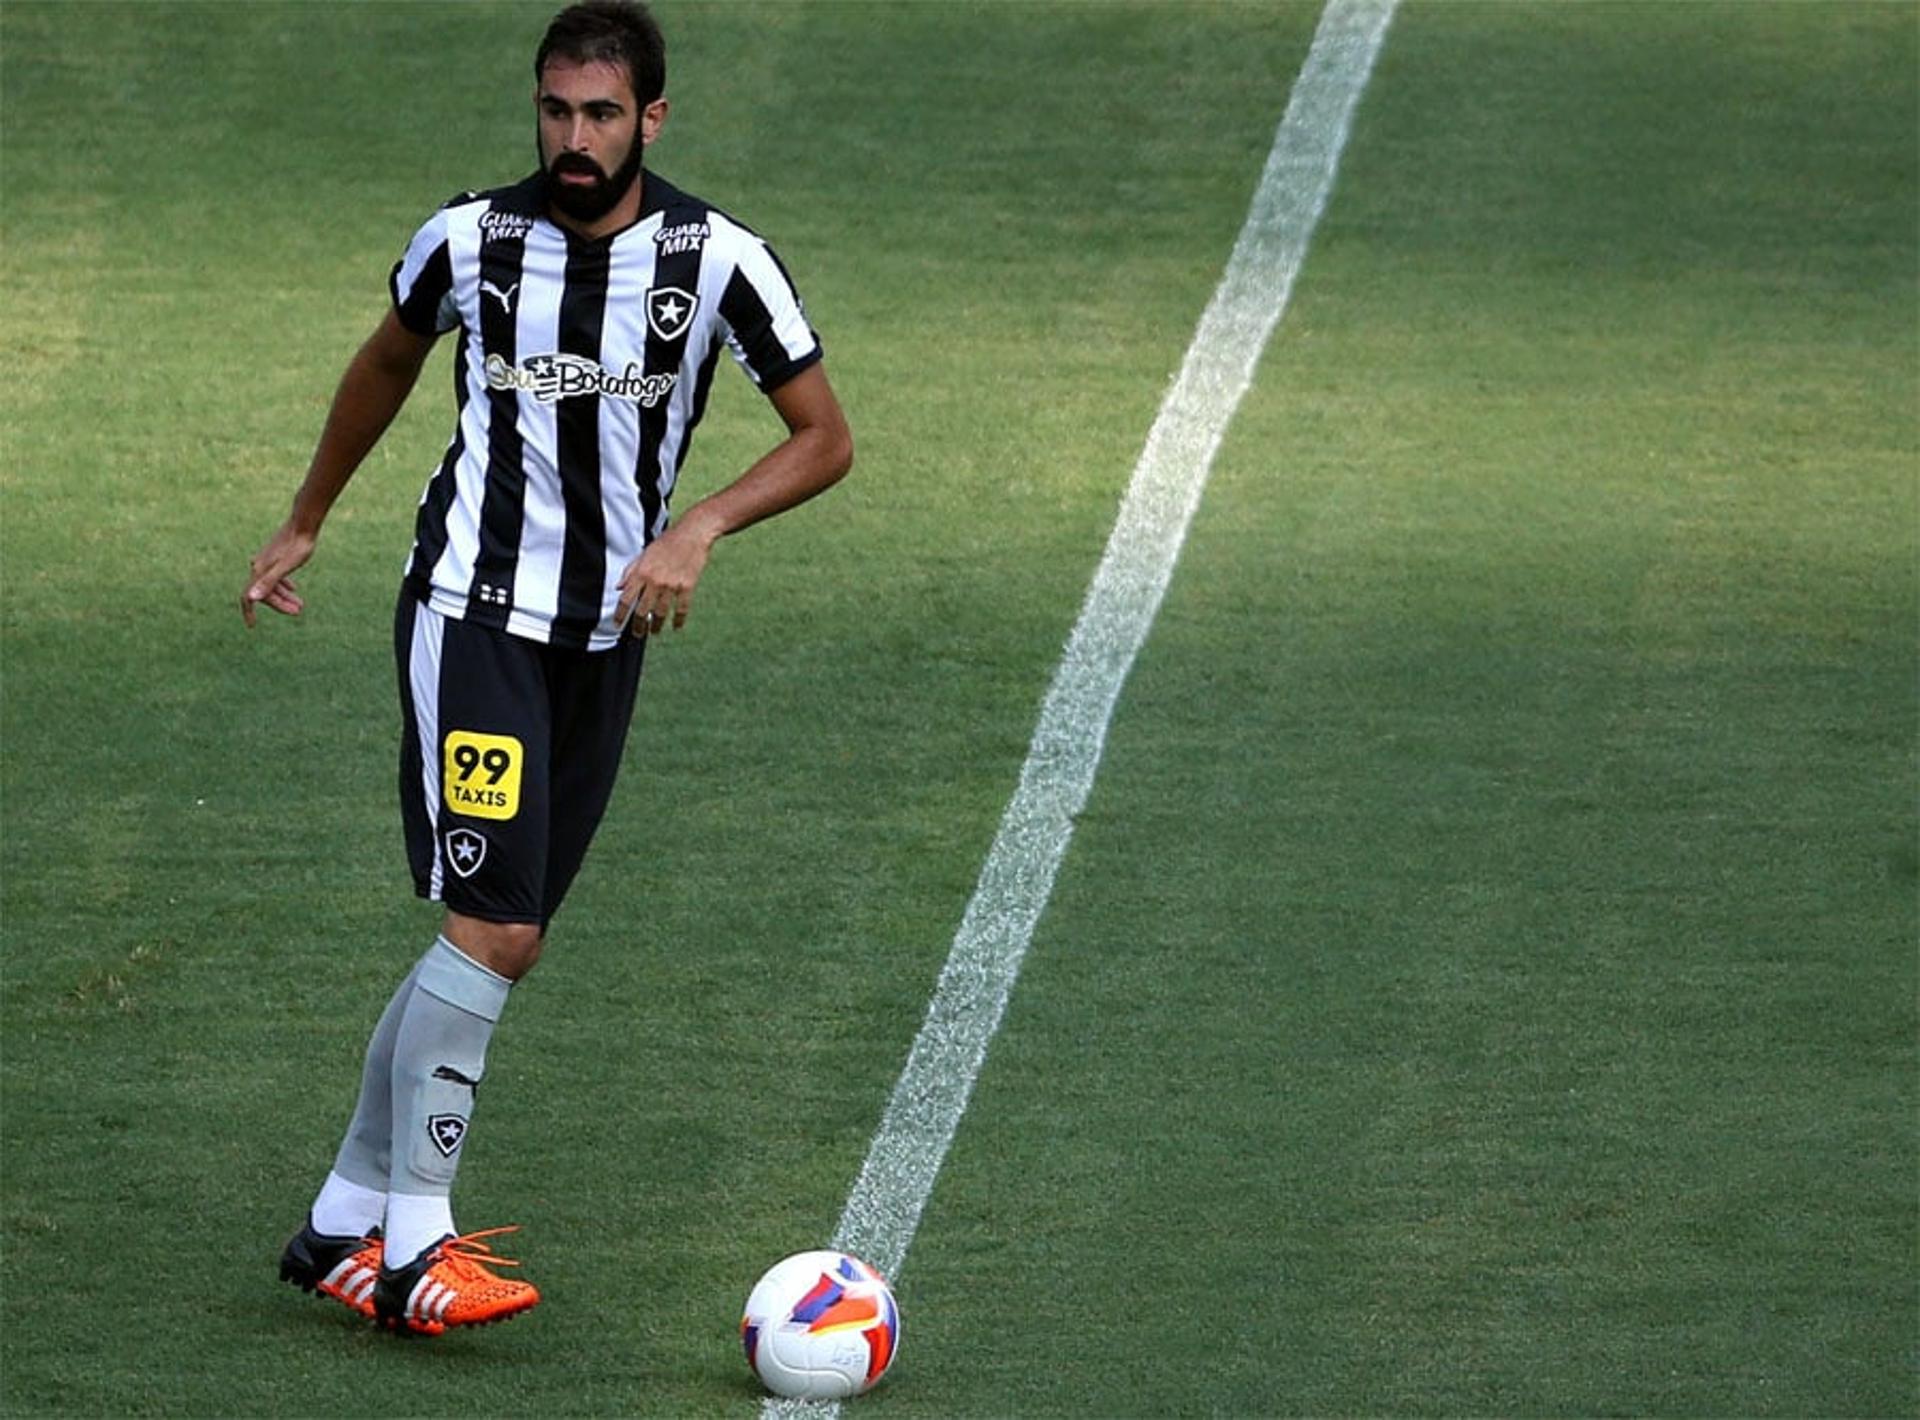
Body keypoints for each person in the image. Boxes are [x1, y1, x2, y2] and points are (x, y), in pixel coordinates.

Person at [243, 0, 852, 1335]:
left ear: (653, 117)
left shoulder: (721, 261)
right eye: (554, 112)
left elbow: (823, 436)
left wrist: (699, 525)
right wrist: (307, 517)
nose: (573, 140)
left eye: (600, 115)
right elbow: (387, 362)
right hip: (472, 620)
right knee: (495, 928)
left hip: (604, 643)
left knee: (491, 947)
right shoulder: (470, 241)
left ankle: (346, 1217)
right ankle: (418, 1249)